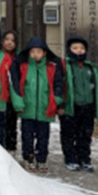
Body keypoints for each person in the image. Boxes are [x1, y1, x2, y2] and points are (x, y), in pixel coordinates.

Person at [9, 37, 64, 173]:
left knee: (43, 136)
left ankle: (41, 159)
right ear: (28, 53)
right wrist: (19, 102)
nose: (35, 55)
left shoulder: (51, 67)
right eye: (33, 52)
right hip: (27, 108)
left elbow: (59, 85)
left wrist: (55, 101)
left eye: (39, 52)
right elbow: (16, 85)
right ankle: (28, 158)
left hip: (45, 109)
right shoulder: (23, 67)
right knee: (26, 135)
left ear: (44, 53)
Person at [59, 36, 98, 172]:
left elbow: (97, 87)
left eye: (82, 48)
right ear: (69, 50)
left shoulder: (90, 67)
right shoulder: (64, 65)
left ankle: (84, 159)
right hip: (70, 106)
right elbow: (58, 86)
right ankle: (70, 159)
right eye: (75, 48)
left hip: (87, 106)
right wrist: (60, 105)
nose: (79, 51)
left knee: (85, 135)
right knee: (69, 134)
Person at [2, 30, 19, 154]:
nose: (9, 43)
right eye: (7, 39)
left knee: (11, 125)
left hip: (13, 97)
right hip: (0, 95)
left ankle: (11, 148)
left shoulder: (19, 59)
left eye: (12, 41)